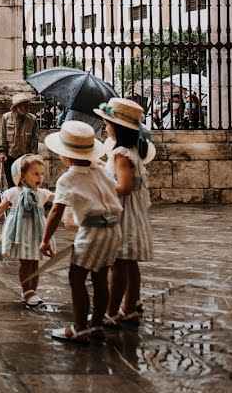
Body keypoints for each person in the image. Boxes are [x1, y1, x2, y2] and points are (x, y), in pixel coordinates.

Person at [40, 120, 122, 344]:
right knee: (100, 277)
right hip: (114, 229)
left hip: (92, 231)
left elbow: (56, 211)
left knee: (76, 277)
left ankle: (79, 328)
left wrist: (46, 239)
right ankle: (96, 325)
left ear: (64, 156)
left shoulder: (68, 178)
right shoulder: (102, 171)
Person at [94, 98, 155, 328]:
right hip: (134, 213)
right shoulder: (131, 151)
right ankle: (131, 306)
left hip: (124, 214)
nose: (105, 127)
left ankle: (112, 311)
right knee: (130, 263)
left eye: (107, 123)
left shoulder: (120, 153)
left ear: (116, 128)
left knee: (118, 264)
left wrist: (104, 190)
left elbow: (125, 186)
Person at [0, 154, 54, 307]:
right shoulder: (14, 192)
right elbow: (1, 208)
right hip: (21, 233)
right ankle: (27, 291)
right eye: (35, 173)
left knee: (35, 263)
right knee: (27, 263)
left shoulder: (42, 193)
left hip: (37, 233)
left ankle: (32, 291)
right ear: (22, 175)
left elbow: (58, 198)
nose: (39, 177)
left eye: (41, 173)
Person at [0, 92, 39, 189]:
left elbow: (35, 139)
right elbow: (3, 136)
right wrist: (2, 153)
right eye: (22, 104)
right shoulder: (6, 118)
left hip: (25, 157)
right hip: (10, 156)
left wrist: (34, 156)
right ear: (17, 107)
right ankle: (13, 203)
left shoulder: (32, 119)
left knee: (26, 184)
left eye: (26, 104)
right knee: (11, 184)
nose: (25, 107)